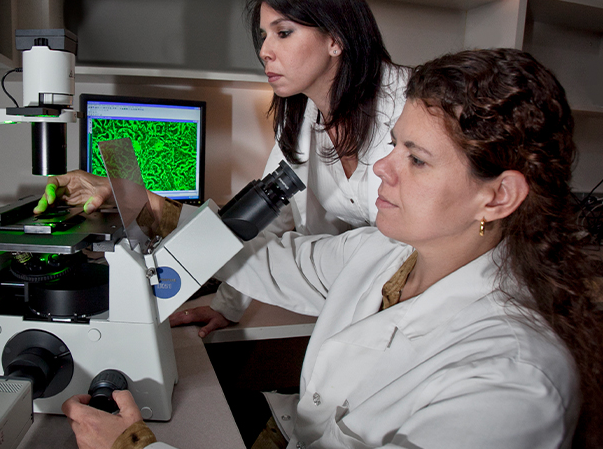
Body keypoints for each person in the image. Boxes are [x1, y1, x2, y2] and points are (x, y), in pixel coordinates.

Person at [62, 49, 603, 449]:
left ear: (498, 195)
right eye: (393, 144)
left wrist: (133, 446)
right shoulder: (384, 253)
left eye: (415, 158)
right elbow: (268, 260)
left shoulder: (511, 381)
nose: (383, 168)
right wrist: (148, 205)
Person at [35, 0, 409, 337]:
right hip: (353, 299)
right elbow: (269, 221)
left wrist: (155, 208)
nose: (264, 50)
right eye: (263, 35)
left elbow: (368, 259)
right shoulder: (301, 119)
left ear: (335, 38)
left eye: (282, 33)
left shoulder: (414, 114)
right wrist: (226, 306)